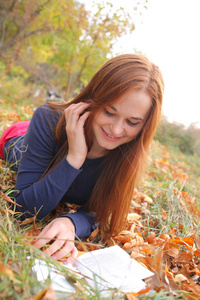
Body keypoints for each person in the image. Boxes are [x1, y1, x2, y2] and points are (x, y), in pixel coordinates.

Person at [0, 54, 164, 263]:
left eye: (132, 122)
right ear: (94, 99)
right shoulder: (47, 120)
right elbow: (21, 209)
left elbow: (99, 212)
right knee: (23, 137)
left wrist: (72, 222)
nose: (116, 129)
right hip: (21, 138)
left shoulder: (129, 153)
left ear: (144, 126)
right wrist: (75, 158)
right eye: (109, 112)